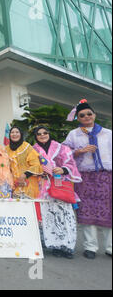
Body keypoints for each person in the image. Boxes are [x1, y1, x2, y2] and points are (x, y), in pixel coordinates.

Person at [63, 99, 112, 259]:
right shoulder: (74, 134)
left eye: (89, 114)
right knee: (86, 210)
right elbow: (64, 153)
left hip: (106, 176)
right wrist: (80, 151)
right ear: (78, 118)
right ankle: (90, 247)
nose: (86, 117)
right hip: (84, 177)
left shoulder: (108, 133)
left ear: (94, 115)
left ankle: (110, 247)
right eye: (82, 115)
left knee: (108, 211)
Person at [33, 125, 82, 259]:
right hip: (43, 187)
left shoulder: (62, 148)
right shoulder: (33, 151)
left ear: (49, 134)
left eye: (45, 133)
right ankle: (55, 246)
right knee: (49, 217)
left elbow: (71, 163)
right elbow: (30, 166)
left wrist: (63, 169)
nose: (42, 135)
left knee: (65, 216)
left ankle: (68, 246)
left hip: (59, 186)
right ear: (36, 137)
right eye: (39, 134)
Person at [6, 126, 42, 199]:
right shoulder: (6, 149)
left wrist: (24, 175)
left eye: (17, 132)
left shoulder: (27, 147)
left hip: (28, 183)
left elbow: (36, 165)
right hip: (15, 185)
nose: (14, 134)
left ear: (21, 134)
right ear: (9, 135)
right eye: (12, 132)